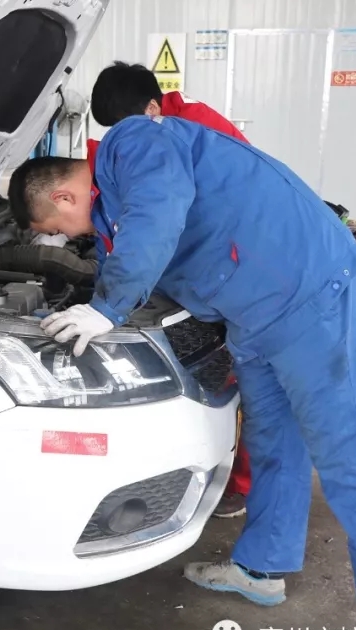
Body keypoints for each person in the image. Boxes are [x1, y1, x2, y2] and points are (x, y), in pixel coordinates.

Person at [6, 115, 356, 630]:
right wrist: (88, 302)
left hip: (309, 294)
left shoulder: (135, 145)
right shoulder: (108, 217)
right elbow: (126, 257)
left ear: (63, 196)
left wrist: (106, 309)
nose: (71, 235)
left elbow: (157, 216)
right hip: (252, 315)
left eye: (60, 226)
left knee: (351, 452)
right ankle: (263, 567)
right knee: (272, 443)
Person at [87, 61, 253, 518]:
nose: (122, 138)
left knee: (252, 384)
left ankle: (239, 483)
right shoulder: (169, 122)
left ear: (151, 108)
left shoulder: (169, 132)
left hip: (240, 271)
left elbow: (156, 215)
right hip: (226, 267)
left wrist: (109, 304)